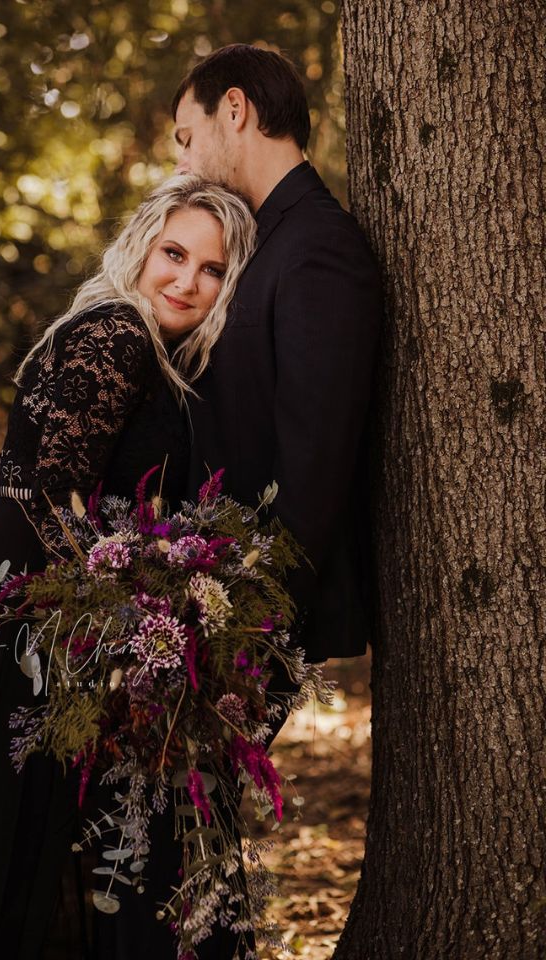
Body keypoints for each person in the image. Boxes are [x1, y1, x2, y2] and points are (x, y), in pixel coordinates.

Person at [0, 175, 256, 960]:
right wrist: (134, 619)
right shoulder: (118, 333)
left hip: (34, 634)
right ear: (141, 247)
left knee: (16, 880)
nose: (187, 281)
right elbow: (54, 495)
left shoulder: (148, 350)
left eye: (213, 270)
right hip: (10, 640)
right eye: (174, 254)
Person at [172, 43, 383, 673]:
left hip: (252, 621)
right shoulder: (262, 240)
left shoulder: (318, 246)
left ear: (234, 109)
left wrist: (248, 627)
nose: (182, 162)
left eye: (187, 138)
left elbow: (312, 468)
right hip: (210, 599)